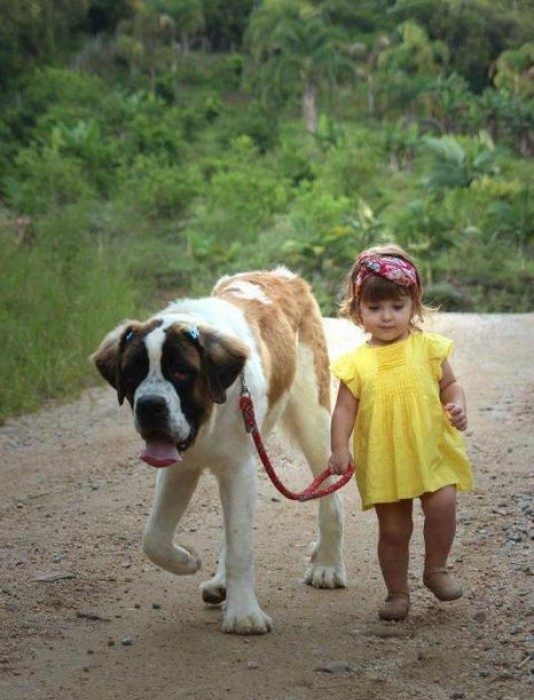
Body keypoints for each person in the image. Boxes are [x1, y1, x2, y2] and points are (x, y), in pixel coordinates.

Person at [328, 243, 473, 621]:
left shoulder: (429, 349)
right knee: (394, 530)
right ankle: (396, 592)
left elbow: (450, 386)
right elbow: (344, 410)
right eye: (374, 309)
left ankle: (436, 570)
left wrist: (458, 404)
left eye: (397, 306)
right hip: (386, 458)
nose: (387, 317)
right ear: (358, 310)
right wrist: (339, 447)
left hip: (431, 448)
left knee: (443, 504)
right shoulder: (356, 363)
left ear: (414, 304)